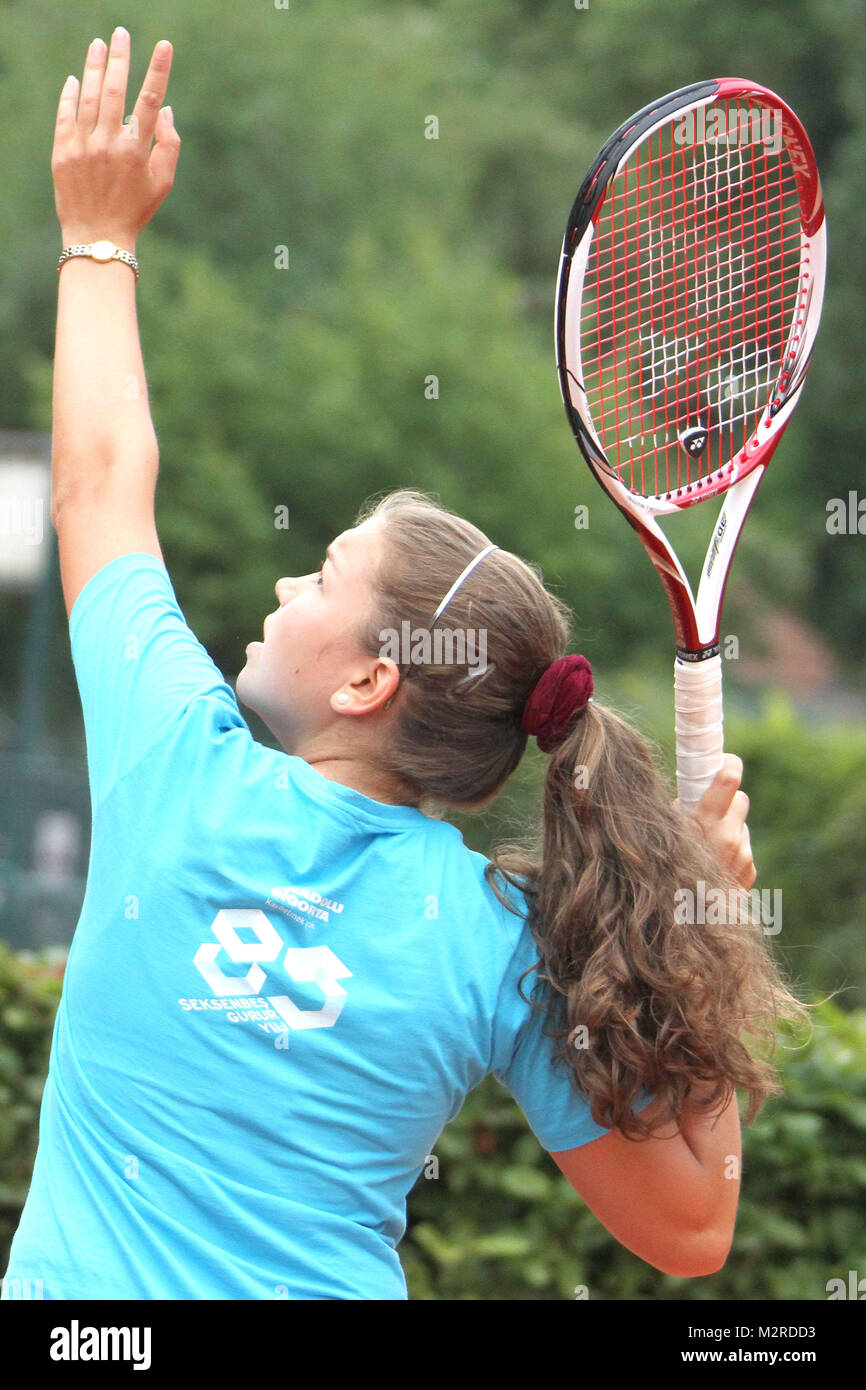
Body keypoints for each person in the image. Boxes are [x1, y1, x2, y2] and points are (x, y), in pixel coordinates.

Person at [2, 31, 808, 1301]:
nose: (280, 587)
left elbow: (101, 480)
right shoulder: (494, 939)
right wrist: (698, 930)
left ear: (370, 680)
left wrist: (98, 236)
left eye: (318, 573)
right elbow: (690, 1229)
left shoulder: (171, 753)